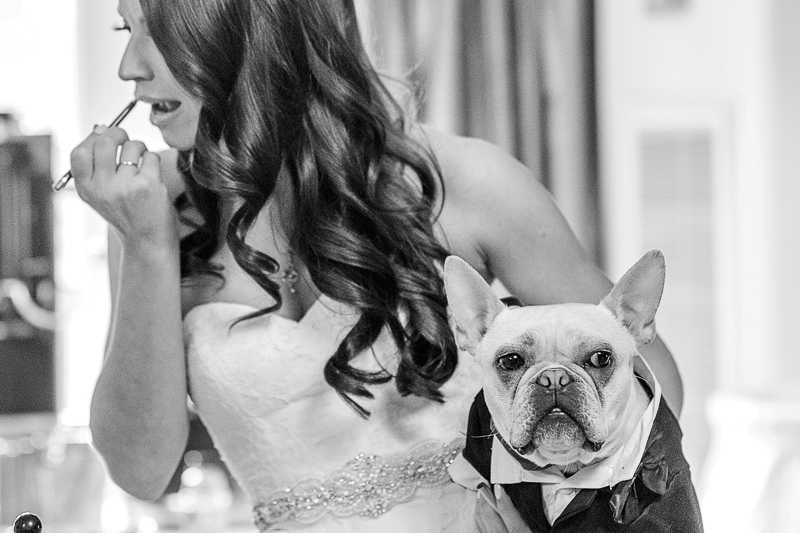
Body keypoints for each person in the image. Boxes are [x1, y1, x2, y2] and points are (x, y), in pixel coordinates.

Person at [70, 0, 684, 531]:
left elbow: (657, 387)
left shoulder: (465, 182)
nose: (131, 68)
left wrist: (566, 516)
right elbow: (141, 469)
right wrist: (147, 247)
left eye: (157, 29)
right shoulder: (154, 214)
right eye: (128, 31)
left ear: (251, 24)